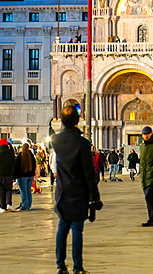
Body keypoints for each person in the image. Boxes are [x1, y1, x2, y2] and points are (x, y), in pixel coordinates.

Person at [51, 104, 99, 274]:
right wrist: (95, 196)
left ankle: (60, 266)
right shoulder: (83, 143)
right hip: (79, 191)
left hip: (62, 190)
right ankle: (78, 267)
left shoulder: (56, 140)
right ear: (77, 120)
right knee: (77, 228)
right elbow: (88, 173)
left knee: (62, 227)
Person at [0, 138, 15, 213]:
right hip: (8, 174)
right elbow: (13, 163)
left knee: (0, 190)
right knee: (8, 189)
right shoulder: (10, 153)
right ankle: (9, 204)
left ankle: (2, 207)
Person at [15, 141, 37, 210]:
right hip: (30, 176)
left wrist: (16, 175)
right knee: (28, 190)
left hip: (22, 176)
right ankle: (29, 204)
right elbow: (34, 165)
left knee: (23, 191)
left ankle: (24, 205)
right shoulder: (31, 155)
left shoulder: (20, 155)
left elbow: (17, 166)